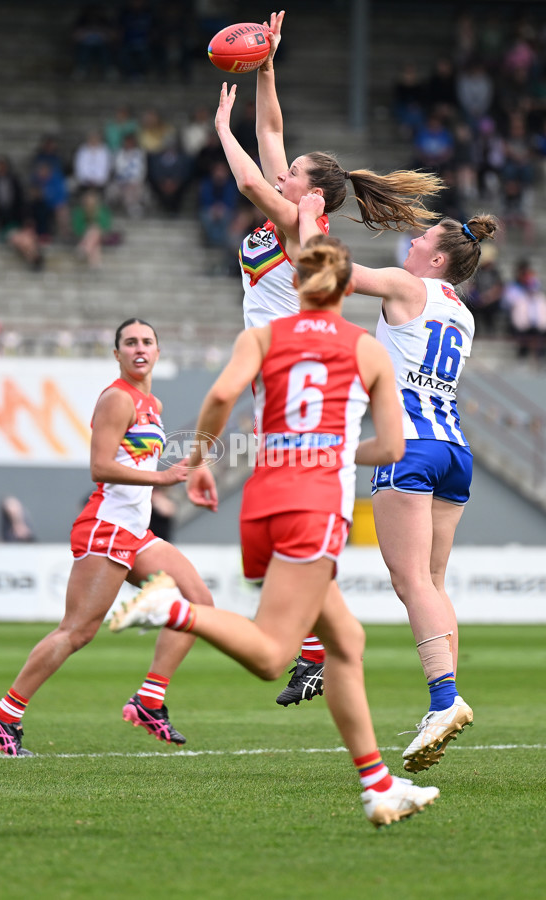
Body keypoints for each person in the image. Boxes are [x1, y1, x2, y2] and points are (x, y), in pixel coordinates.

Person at [108, 235, 440, 829]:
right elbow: (393, 446)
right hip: (312, 506)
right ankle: (169, 608)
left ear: (297, 281)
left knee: (345, 643)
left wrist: (204, 462)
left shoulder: (261, 336)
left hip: (261, 504)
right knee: (270, 655)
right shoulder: (365, 349)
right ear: (344, 286)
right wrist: (340, 449)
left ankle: (378, 785)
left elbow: (219, 396)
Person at [213, 10, 444, 705]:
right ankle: (318, 649)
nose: (283, 169)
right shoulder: (297, 211)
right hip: (287, 370)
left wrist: (221, 130)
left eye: (295, 174)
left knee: (297, 507)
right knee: (297, 512)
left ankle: (315, 648)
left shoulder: (292, 219)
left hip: (296, 368)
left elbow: (256, 173)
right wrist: (269, 66)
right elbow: (275, 134)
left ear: (309, 192)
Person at [299, 195, 499, 772]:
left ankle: (443, 700)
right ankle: (444, 699)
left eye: (421, 241)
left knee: (410, 581)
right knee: (432, 583)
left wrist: (308, 218)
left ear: (437, 260)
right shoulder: (463, 311)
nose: (410, 244)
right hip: (453, 449)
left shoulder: (405, 285)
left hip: (407, 445)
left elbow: (331, 270)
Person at [0, 318, 214, 756]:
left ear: (158, 351)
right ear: (117, 353)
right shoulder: (116, 399)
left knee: (198, 601)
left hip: (134, 530)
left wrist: (183, 476)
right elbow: (100, 467)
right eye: (130, 342)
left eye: (147, 341)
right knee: (77, 632)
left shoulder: (152, 403)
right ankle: (5, 714)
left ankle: (150, 699)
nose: (139, 348)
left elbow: (135, 467)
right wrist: (163, 479)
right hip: (106, 527)